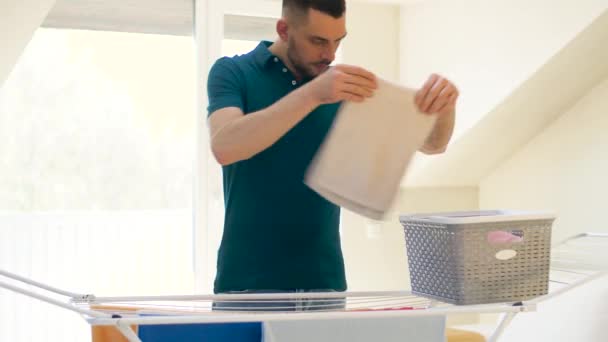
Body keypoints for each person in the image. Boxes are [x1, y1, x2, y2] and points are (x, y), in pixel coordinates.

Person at [207, 0, 458, 310]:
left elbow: (433, 144)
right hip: (246, 289)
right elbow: (225, 146)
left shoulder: (342, 86)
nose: (330, 53)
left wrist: (444, 109)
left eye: (338, 40)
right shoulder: (233, 72)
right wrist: (313, 94)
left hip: (325, 290)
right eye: (318, 41)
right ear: (284, 30)